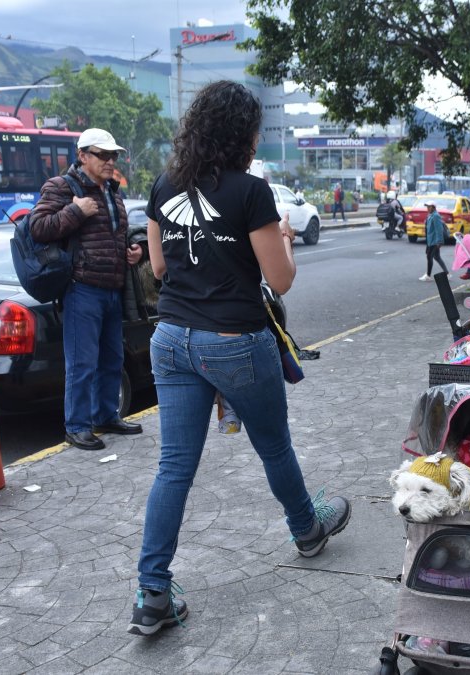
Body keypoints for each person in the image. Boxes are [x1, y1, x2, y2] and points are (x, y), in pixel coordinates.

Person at [132, 81, 351, 636]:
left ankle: (151, 591)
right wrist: (284, 241)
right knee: (273, 444)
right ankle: (306, 529)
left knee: (173, 467)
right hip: (234, 341)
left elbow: (158, 270)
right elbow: (279, 280)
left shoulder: (165, 184)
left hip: (172, 340)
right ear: (242, 133)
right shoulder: (252, 192)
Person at [30, 128, 144, 451]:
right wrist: (75, 211)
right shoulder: (61, 187)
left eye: (114, 155)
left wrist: (131, 251)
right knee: (82, 362)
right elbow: (38, 228)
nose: (110, 161)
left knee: (112, 357)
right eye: (103, 155)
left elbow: (114, 234)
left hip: (112, 287)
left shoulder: (111, 190)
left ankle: (105, 415)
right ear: (82, 156)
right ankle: (77, 425)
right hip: (82, 288)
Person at [419, 200, 446, 281]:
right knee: (436, 257)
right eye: (427, 207)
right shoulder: (430, 215)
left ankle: (428, 275)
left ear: (433, 207)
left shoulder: (436, 216)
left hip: (434, 241)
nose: (427, 208)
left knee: (429, 256)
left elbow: (439, 229)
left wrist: (439, 241)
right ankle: (447, 273)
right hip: (430, 240)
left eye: (429, 207)